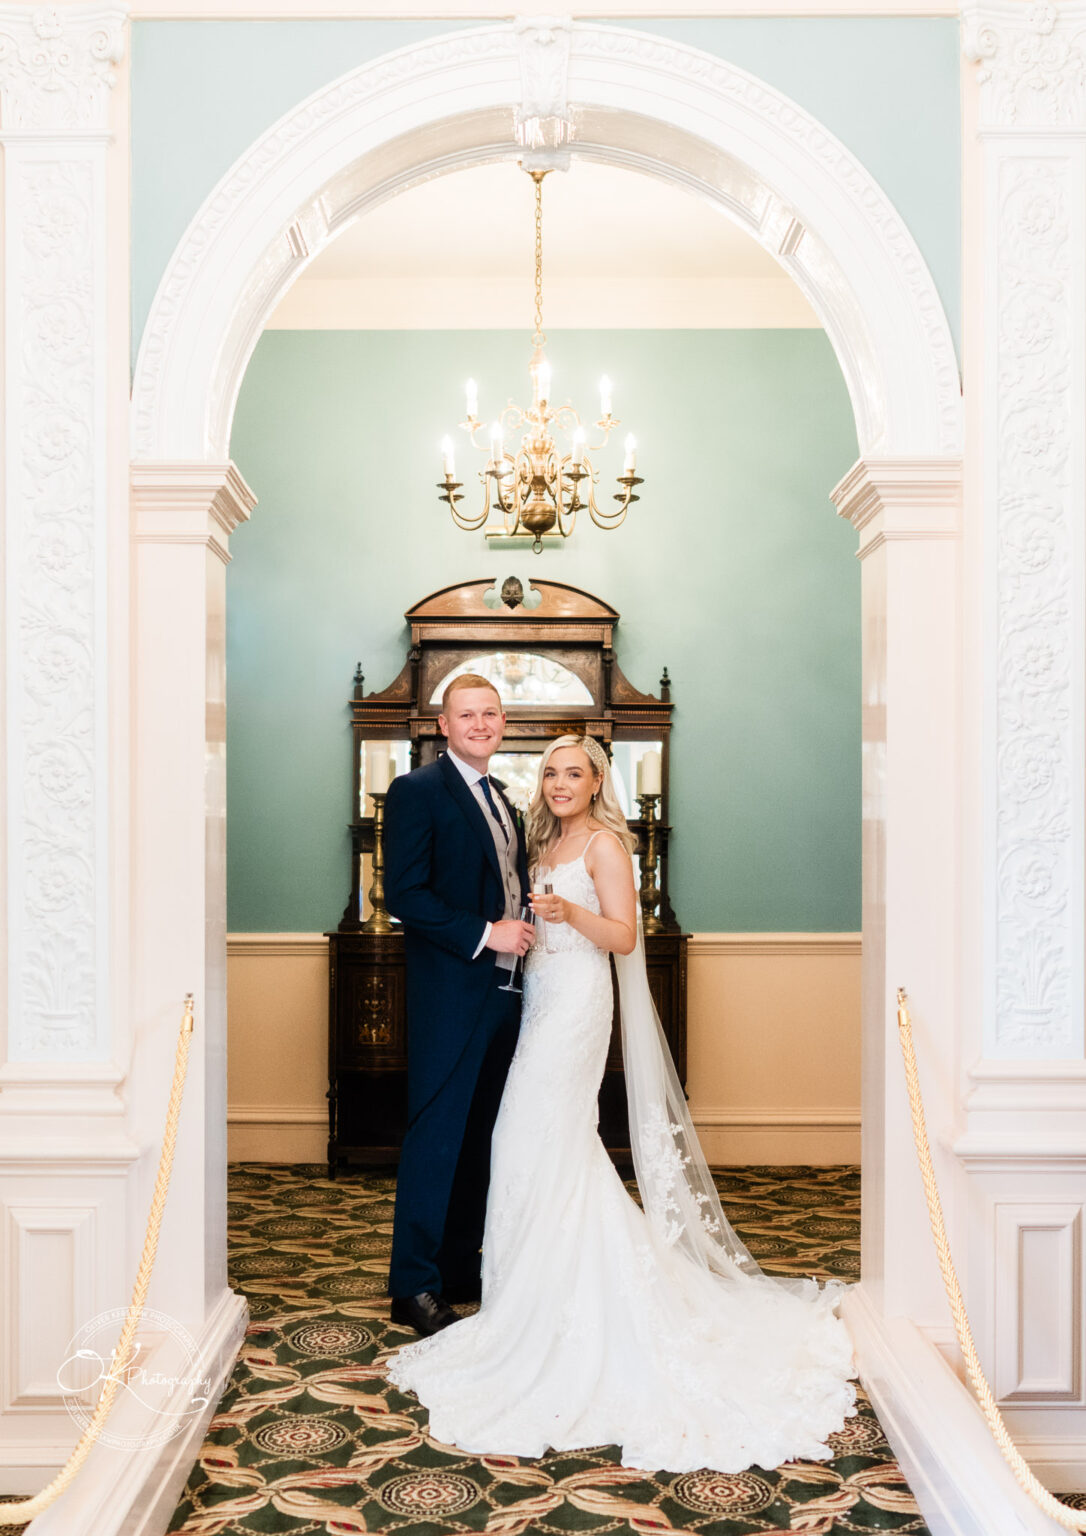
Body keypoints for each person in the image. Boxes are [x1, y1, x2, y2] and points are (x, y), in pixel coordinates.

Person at [388, 734, 856, 1471]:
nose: (560, 782)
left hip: (574, 1008)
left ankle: (557, 1299)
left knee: (540, 1138)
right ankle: (527, 1295)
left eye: (574, 772)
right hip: (534, 998)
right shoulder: (540, 836)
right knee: (521, 1145)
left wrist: (570, 920)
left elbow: (625, 935)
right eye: (550, 771)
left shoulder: (604, 844)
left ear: (596, 781)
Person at [383, 674, 533, 1337]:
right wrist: (486, 934)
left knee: (480, 1140)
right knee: (436, 1140)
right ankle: (412, 1285)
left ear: (503, 723)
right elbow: (407, 896)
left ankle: (458, 1267)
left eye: (490, 713)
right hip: (452, 993)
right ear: (443, 725)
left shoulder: (504, 798)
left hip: (508, 996)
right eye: (466, 714)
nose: (479, 723)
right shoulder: (417, 791)